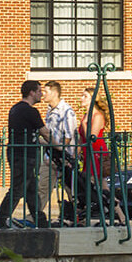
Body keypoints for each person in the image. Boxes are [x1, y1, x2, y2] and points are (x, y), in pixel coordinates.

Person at [0, 80, 51, 228]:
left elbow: (30, 134)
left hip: (16, 152)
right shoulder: (31, 111)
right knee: (18, 189)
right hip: (25, 155)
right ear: (31, 92)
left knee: (31, 190)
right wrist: (59, 146)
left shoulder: (15, 109)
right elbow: (45, 133)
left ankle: (40, 220)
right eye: (39, 91)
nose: (41, 94)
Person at [77, 85, 126, 225]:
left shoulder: (97, 116)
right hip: (88, 155)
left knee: (94, 185)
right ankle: (117, 215)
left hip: (97, 154)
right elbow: (81, 139)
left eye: (85, 96)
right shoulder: (86, 116)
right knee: (96, 186)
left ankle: (115, 214)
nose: (82, 99)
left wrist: (85, 123)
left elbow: (91, 136)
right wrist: (76, 154)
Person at [42, 80, 77, 224]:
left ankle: (78, 216)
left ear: (55, 93)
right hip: (49, 156)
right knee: (43, 187)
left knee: (70, 189)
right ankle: (34, 217)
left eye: (46, 92)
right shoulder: (50, 110)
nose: (43, 94)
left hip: (63, 157)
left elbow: (69, 136)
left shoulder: (66, 111)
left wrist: (62, 152)